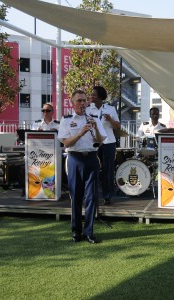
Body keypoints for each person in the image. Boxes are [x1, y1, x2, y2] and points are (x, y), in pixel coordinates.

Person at [58, 90, 107, 244]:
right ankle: (76, 232)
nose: (82, 103)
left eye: (84, 100)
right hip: (75, 159)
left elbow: (100, 141)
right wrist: (80, 133)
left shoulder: (94, 119)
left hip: (91, 158)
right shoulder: (66, 120)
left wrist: (96, 128)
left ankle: (89, 232)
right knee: (76, 196)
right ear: (72, 103)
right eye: (78, 100)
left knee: (92, 197)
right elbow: (65, 143)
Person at [86, 86, 120, 205]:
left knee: (108, 170)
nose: (91, 97)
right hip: (93, 143)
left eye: (94, 95)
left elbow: (117, 127)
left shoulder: (110, 109)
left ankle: (107, 196)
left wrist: (110, 120)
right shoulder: (88, 109)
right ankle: (91, 195)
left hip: (108, 143)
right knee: (92, 170)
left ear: (100, 96)